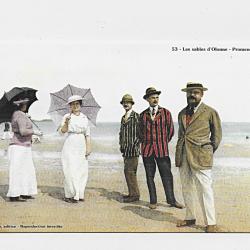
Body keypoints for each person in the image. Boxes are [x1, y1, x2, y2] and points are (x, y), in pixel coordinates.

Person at [175, 82, 222, 233]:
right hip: (183, 155)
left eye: (195, 92)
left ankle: (211, 222)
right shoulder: (182, 113)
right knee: (186, 187)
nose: (191, 95)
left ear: (202, 94)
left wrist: (207, 150)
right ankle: (190, 217)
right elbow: (181, 135)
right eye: (189, 93)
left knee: (205, 189)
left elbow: (217, 136)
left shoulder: (210, 112)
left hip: (201, 156)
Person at [138, 87, 184, 209]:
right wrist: (148, 143)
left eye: (157, 97)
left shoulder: (166, 113)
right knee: (149, 176)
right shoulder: (142, 115)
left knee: (167, 175)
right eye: (152, 97)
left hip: (162, 150)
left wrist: (162, 142)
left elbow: (171, 131)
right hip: (147, 150)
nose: (155, 99)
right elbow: (140, 133)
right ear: (147, 99)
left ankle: (172, 200)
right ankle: (153, 201)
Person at [7, 98, 42, 202]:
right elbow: (22, 131)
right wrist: (35, 132)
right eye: (25, 103)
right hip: (18, 147)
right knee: (18, 170)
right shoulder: (19, 114)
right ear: (21, 105)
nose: (26, 105)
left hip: (24, 146)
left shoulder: (19, 114)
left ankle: (24, 192)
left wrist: (32, 137)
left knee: (26, 169)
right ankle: (14, 195)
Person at [59, 95, 91, 203]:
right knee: (69, 168)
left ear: (80, 105)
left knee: (82, 169)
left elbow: (87, 134)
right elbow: (62, 131)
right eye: (73, 104)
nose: (75, 106)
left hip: (81, 143)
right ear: (70, 106)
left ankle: (79, 193)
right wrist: (67, 122)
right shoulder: (66, 116)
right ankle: (70, 194)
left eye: (77, 103)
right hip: (70, 143)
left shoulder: (84, 118)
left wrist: (88, 147)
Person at [119, 94, 140, 203]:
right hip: (125, 150)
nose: (126, 104)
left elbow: (141, 133)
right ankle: (132, 193)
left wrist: (135, 144)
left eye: (128, 102)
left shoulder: (136, 116)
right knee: (127, 171)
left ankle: (135, 195)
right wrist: (121, 145)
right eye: (124, 102)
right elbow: (121, 133)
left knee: (131, 171)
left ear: (132, 104)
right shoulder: (123, 118)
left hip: (134, 150)